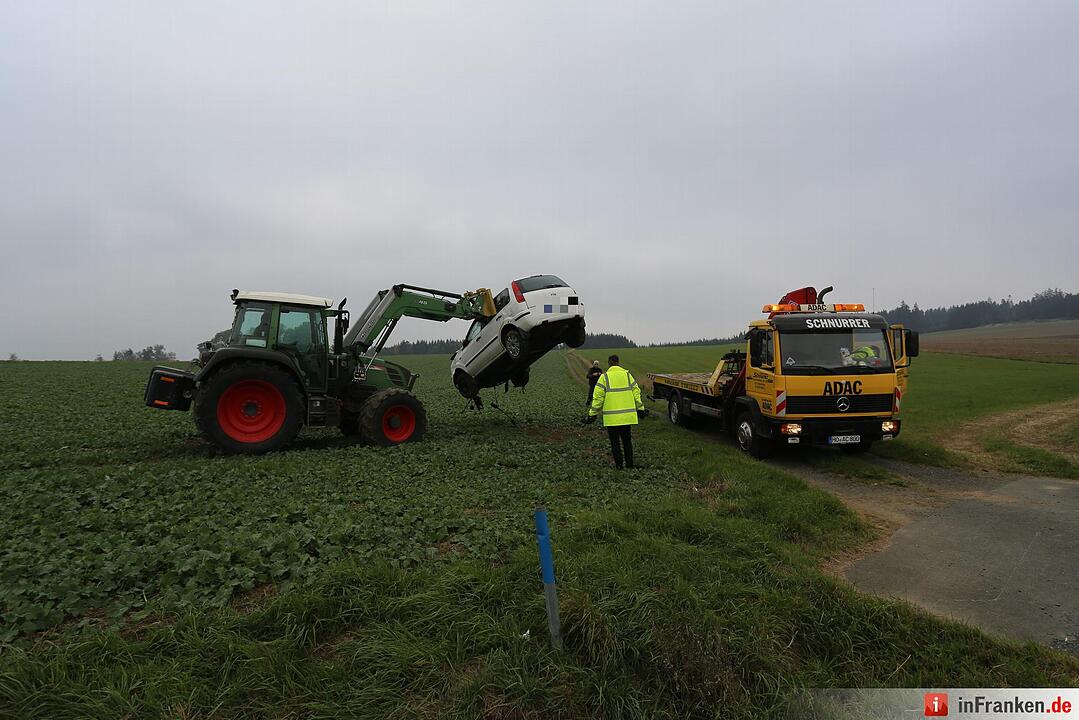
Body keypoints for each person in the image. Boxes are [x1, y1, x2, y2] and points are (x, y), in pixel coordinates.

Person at [584, 355, 647, 469]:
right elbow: (636, 392)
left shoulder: (604, 377)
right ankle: (630, 465)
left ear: (609, 363)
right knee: (627, 442)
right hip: (626, 417)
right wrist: (640, 408)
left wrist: (592, 414)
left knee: (615, 443)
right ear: (618, 362)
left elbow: (598, 398)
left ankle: (619, 466)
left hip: (612, 418)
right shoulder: (627, 375)